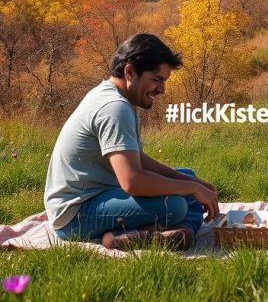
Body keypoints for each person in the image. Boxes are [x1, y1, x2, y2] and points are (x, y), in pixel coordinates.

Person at [44, 33, 219, 251]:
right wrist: (190, 189)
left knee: (189, 179)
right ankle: (137, 235)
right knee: (176, 204)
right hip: (75, 216)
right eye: (156, 79)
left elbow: (138, 160)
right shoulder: (114, 107)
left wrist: (192, 183)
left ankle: (163, 234)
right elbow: (132, 182)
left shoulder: (121, 99)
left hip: (100, 196)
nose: (162, 90)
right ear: (129, 71)